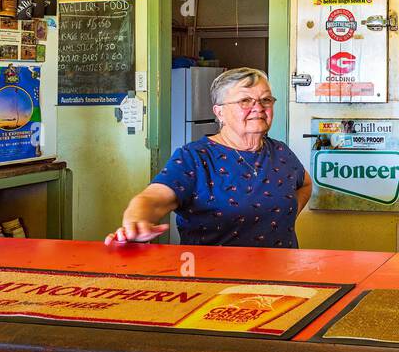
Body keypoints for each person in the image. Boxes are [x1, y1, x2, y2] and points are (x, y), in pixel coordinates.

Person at [105, 67, 312, 248]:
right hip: (213, 278)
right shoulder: (194, 157)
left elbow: (305, 184)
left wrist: (285, 216)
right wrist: (135, 220)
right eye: (245, 100)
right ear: (219, 112)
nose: (258, 107)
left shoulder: (281, 152)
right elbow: (153, 199)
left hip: (280, 275)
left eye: (265, 99)